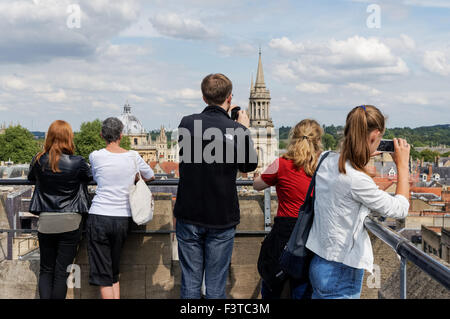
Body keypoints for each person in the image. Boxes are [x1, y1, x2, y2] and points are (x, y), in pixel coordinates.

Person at [306, 105, 411, 299]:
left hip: (319, 261)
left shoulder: (325, 159)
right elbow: (401, 208)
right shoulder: (356, 180)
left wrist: (362, 152)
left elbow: (344, 179)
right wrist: (403, 167)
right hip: (341, 270)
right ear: (375, 136)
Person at [174, 73, 258, 299]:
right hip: (221, 216)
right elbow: (249, 165)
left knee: (190, 284)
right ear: (229, 97)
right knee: (215, 287)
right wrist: (242, 129)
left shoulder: (187, 123)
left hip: (189, 213)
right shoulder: (236, 130)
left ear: (203, 97)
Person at [253, 119, 323, 299]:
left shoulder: (282, 163)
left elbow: (258, 185)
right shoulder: (322, 167)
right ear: (318, 141)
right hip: (310, 232)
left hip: (284, 231)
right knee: (303, 285)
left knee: (272, 282)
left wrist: (256, 174)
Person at [87, 117, 154, 299]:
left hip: (99, 216)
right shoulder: (133, 156)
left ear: (102, 135)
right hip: (123, 218)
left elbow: (97, 176)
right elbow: (151, 175)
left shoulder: (95, 156)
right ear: (121, 135)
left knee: (103, 275)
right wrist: (134, 177)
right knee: (113, 270)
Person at [28, 120, 92, 299]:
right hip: (70, 221)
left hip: (46, 221)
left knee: (46, 270)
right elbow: (90, 176)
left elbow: (31, 177)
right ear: (69, 138)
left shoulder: (39, 159)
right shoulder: (77, 162)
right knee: (62, 272)